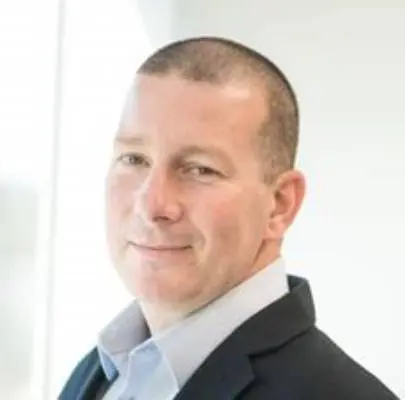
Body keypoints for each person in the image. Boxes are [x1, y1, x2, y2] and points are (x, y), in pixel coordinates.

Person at [59, 37, 398, 400]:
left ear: (280, 205)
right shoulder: (99, 373)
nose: (152, 205)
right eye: (134, 159)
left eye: (200, 169)